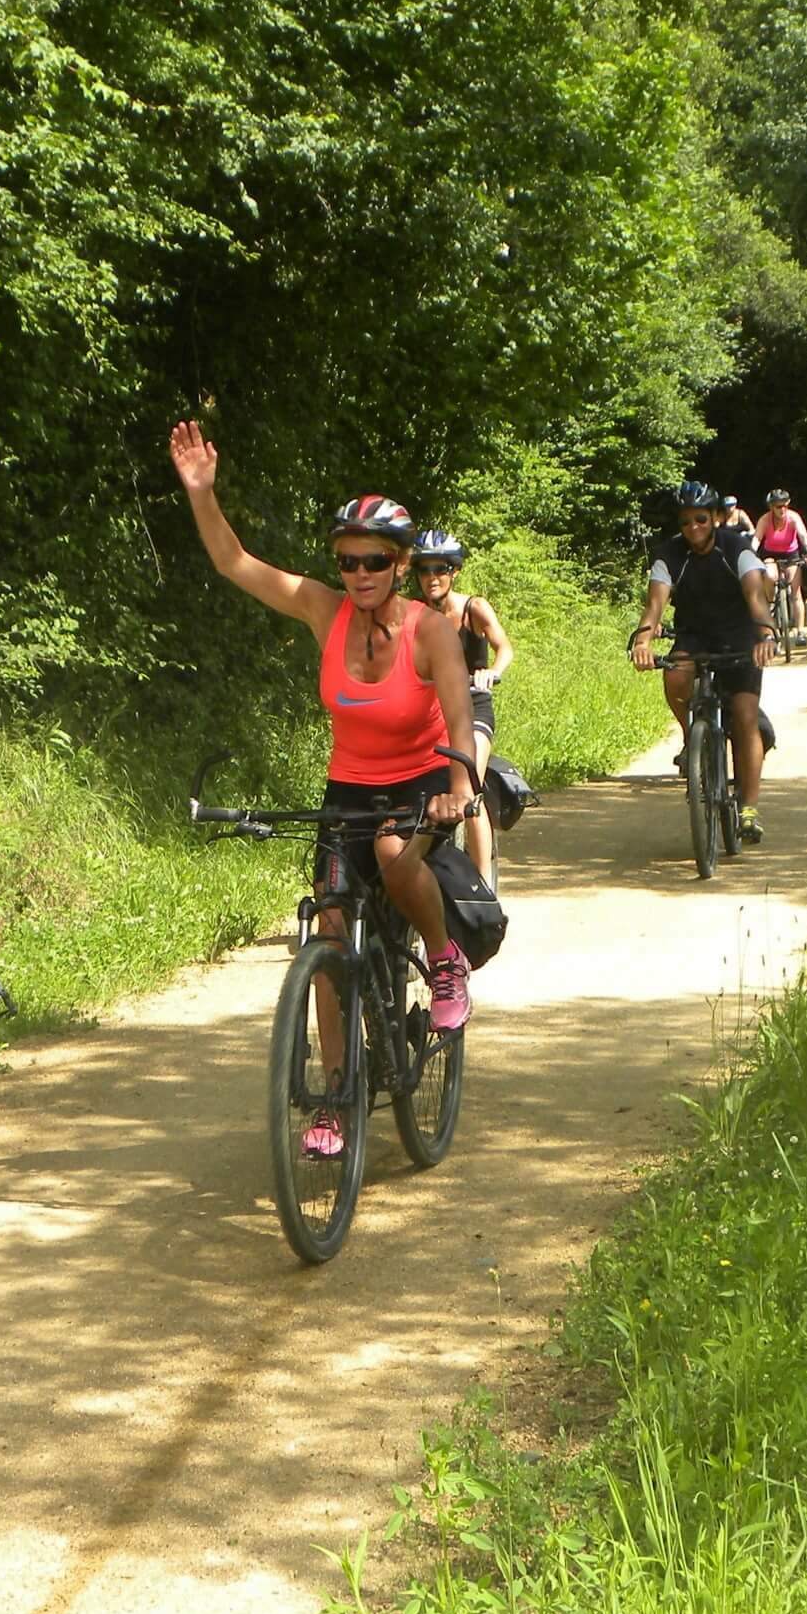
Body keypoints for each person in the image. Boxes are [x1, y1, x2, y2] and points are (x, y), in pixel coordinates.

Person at [169, 421, 479, 1160]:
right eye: (347, 560)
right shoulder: (323, 609)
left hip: (421, 781)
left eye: (374, 560)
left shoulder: (430, 630)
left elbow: (461, 712)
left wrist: (461, 781)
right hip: (350, 786)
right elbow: (234, 562)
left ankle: (443, 957)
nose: (358, 573)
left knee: (395, 850)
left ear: (401, 565)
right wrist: (202, 495)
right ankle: (335, 1098)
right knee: (328, 931)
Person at [628, 480, 777, 844]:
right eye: (685, 522)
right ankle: (691, 738)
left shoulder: (736, 548)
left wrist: (767, 636)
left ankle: (750, 810)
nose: (693, 528)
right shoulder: (669, 555)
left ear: (716, 518)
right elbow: (654, 606)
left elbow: (757, 599)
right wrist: (643, 642)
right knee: (676, 676)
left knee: (744, 717)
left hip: (741, 633)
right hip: (695, 634)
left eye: (700, 519)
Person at [411, 529, 514, 887]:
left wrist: (491, 673)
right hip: (431, 710)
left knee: (469, 789)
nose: (431, 577)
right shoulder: (415, 614)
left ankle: (483, 886)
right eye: (424, 570)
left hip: (473, 706)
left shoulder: (474, 609)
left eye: (440, 568)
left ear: (454, 571)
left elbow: (505, 648)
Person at [753, 488, 807, 647]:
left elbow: (803, 535)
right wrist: (749, 554)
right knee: (769, 575)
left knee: (796, 593)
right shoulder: (765, 520)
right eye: (778, 506)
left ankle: (800, 631)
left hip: (791, 554)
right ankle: (771, 603)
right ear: (771, 507)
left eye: (784, 506)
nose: (782, 510)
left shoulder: (794, 518)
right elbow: (756, 539)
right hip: (770, 554)